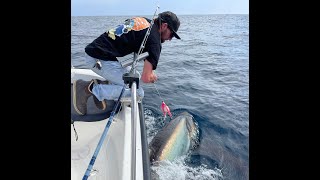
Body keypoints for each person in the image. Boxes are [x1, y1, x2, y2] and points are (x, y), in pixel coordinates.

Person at [73, 11, 181, 115]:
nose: (170, 39)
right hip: (98, 59)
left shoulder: (144, 21)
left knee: (136, 77)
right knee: (138, 93)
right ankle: (89, 89)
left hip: (97, 52)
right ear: (164, 26)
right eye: (171, 35)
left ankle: (101, 88)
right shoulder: (154, 41)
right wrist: (152, 76)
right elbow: (146, 78)